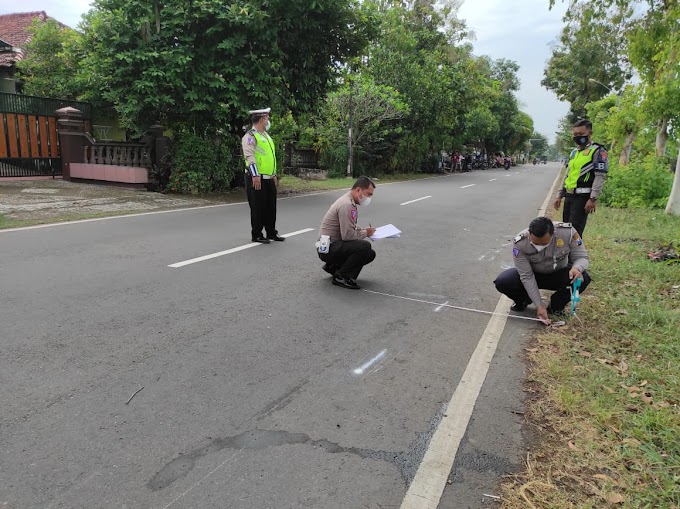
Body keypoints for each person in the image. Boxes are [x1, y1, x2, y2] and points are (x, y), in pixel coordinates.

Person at [494, 216, 591, 323]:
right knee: (504, 281)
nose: (539, 246)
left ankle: (555, 307)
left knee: (583, 278)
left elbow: (582, 257)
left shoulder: (568, 233)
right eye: (535, 243)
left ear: (553, 233)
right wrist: (539, 305)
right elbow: (526, 276)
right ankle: (523, 300)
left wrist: (577, 268)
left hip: (558, 273)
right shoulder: (520, 243)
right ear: (530, 233)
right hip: (534, 275)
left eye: (544, 243)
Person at [317, 176, 377, 290]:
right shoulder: (347, 205)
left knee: (370, 253)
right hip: (327, 248)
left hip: (329, 245)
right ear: (358, 190)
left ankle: (334, 267)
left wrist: (365, 231)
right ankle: (342, 276)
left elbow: (350, 227)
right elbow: (348, 235)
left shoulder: (348, 201)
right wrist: (366, 233)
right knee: (364, 246)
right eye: (368, 194)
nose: (369, 198)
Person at [553, 118, 608, 237]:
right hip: (569, 196)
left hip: (582, 198)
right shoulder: (574, 152)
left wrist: (593, 198)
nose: (577, 137)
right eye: (575, 134)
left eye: (581, 134)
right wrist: (559, 195)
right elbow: (568, 175)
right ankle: (567, 255)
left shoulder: (597, 151)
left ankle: (577, 255)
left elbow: (600, 176)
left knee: (574, 233)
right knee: (565, 230)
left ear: (590, 133)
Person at [241, 107, 284, 244]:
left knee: (271, 206)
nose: (268, 121)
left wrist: (274, 174)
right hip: (256, 177)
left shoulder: (266, 136)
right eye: (267, 118)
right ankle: (257, 234)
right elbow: (250, 157)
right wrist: (255, 175)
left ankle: (271, 232)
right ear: (261, 119)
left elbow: (270, 158)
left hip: (268, 178)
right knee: (257, 206)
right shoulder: (250, 136)